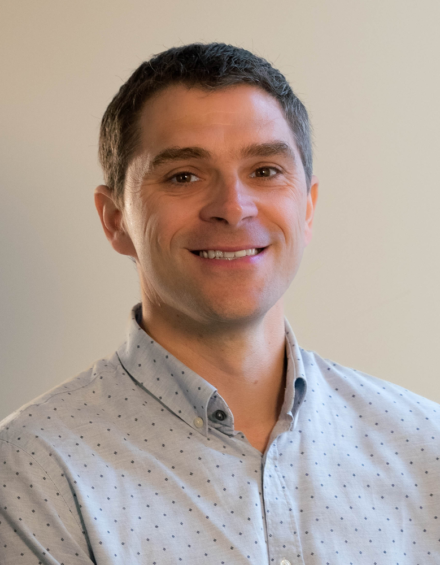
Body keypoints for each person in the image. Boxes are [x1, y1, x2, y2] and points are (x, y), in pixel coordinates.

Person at [0, 43, 439, 565]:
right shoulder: (32, 469)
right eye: (183, 176)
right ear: (115, 220)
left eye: (265, 171)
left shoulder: (425, 445)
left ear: (307, 208)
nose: (233, 208)